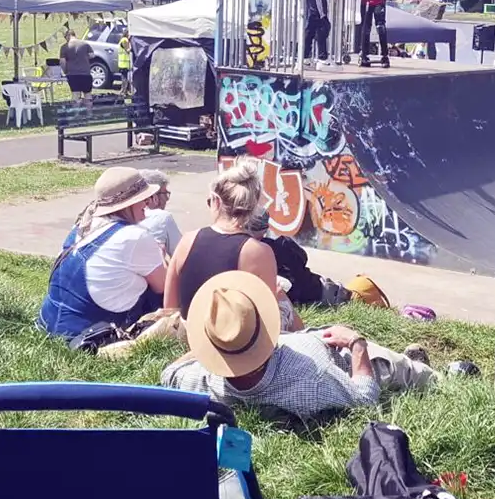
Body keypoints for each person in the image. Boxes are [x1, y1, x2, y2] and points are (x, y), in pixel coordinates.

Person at [161, 271, 432, 422]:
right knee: (391, 366)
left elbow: (168, 374)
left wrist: (216, 342)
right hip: (340, 354)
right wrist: (355, 342)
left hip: (291, 347)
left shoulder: (199, 381)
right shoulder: (313, 381)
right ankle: (436, 373)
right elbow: (364, 399)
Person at [37, 168, 168, 340]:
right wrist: (163, 256)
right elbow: (163, 285)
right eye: (143, 198)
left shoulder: (84, 224)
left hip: (47, 323)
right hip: (88, 337)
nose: (147, 203)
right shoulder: (135, 236)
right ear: (128, 203)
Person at [164, 161, 290, 326]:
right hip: (234, 344)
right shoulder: (259, 252)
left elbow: (169, 308)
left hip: (188, 334)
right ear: (253, 207)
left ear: (216, 201)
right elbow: (266, 318)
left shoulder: (187, 240)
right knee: (285, 305)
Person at [244, 209, 348, 307]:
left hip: (322, 292)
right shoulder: (279, 246)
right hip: (315, 289)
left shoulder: (278, 247)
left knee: (351, 293)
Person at [126, 168, 184, 255]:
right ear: (153, 196)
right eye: (164, 193)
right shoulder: (161, 217)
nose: (167, 198)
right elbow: (182, 256)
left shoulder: (117, 218)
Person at [60, 29, 94, 102]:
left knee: (75, 95)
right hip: (85, 73)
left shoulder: (64, 47)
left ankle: (76, 113)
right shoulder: (85, 44)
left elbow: (62, 61)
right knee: (88, 95)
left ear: (68, 36)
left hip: (72, 74)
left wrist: (65, 71)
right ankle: (89, 113)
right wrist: (84, 57)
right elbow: (92, 55)